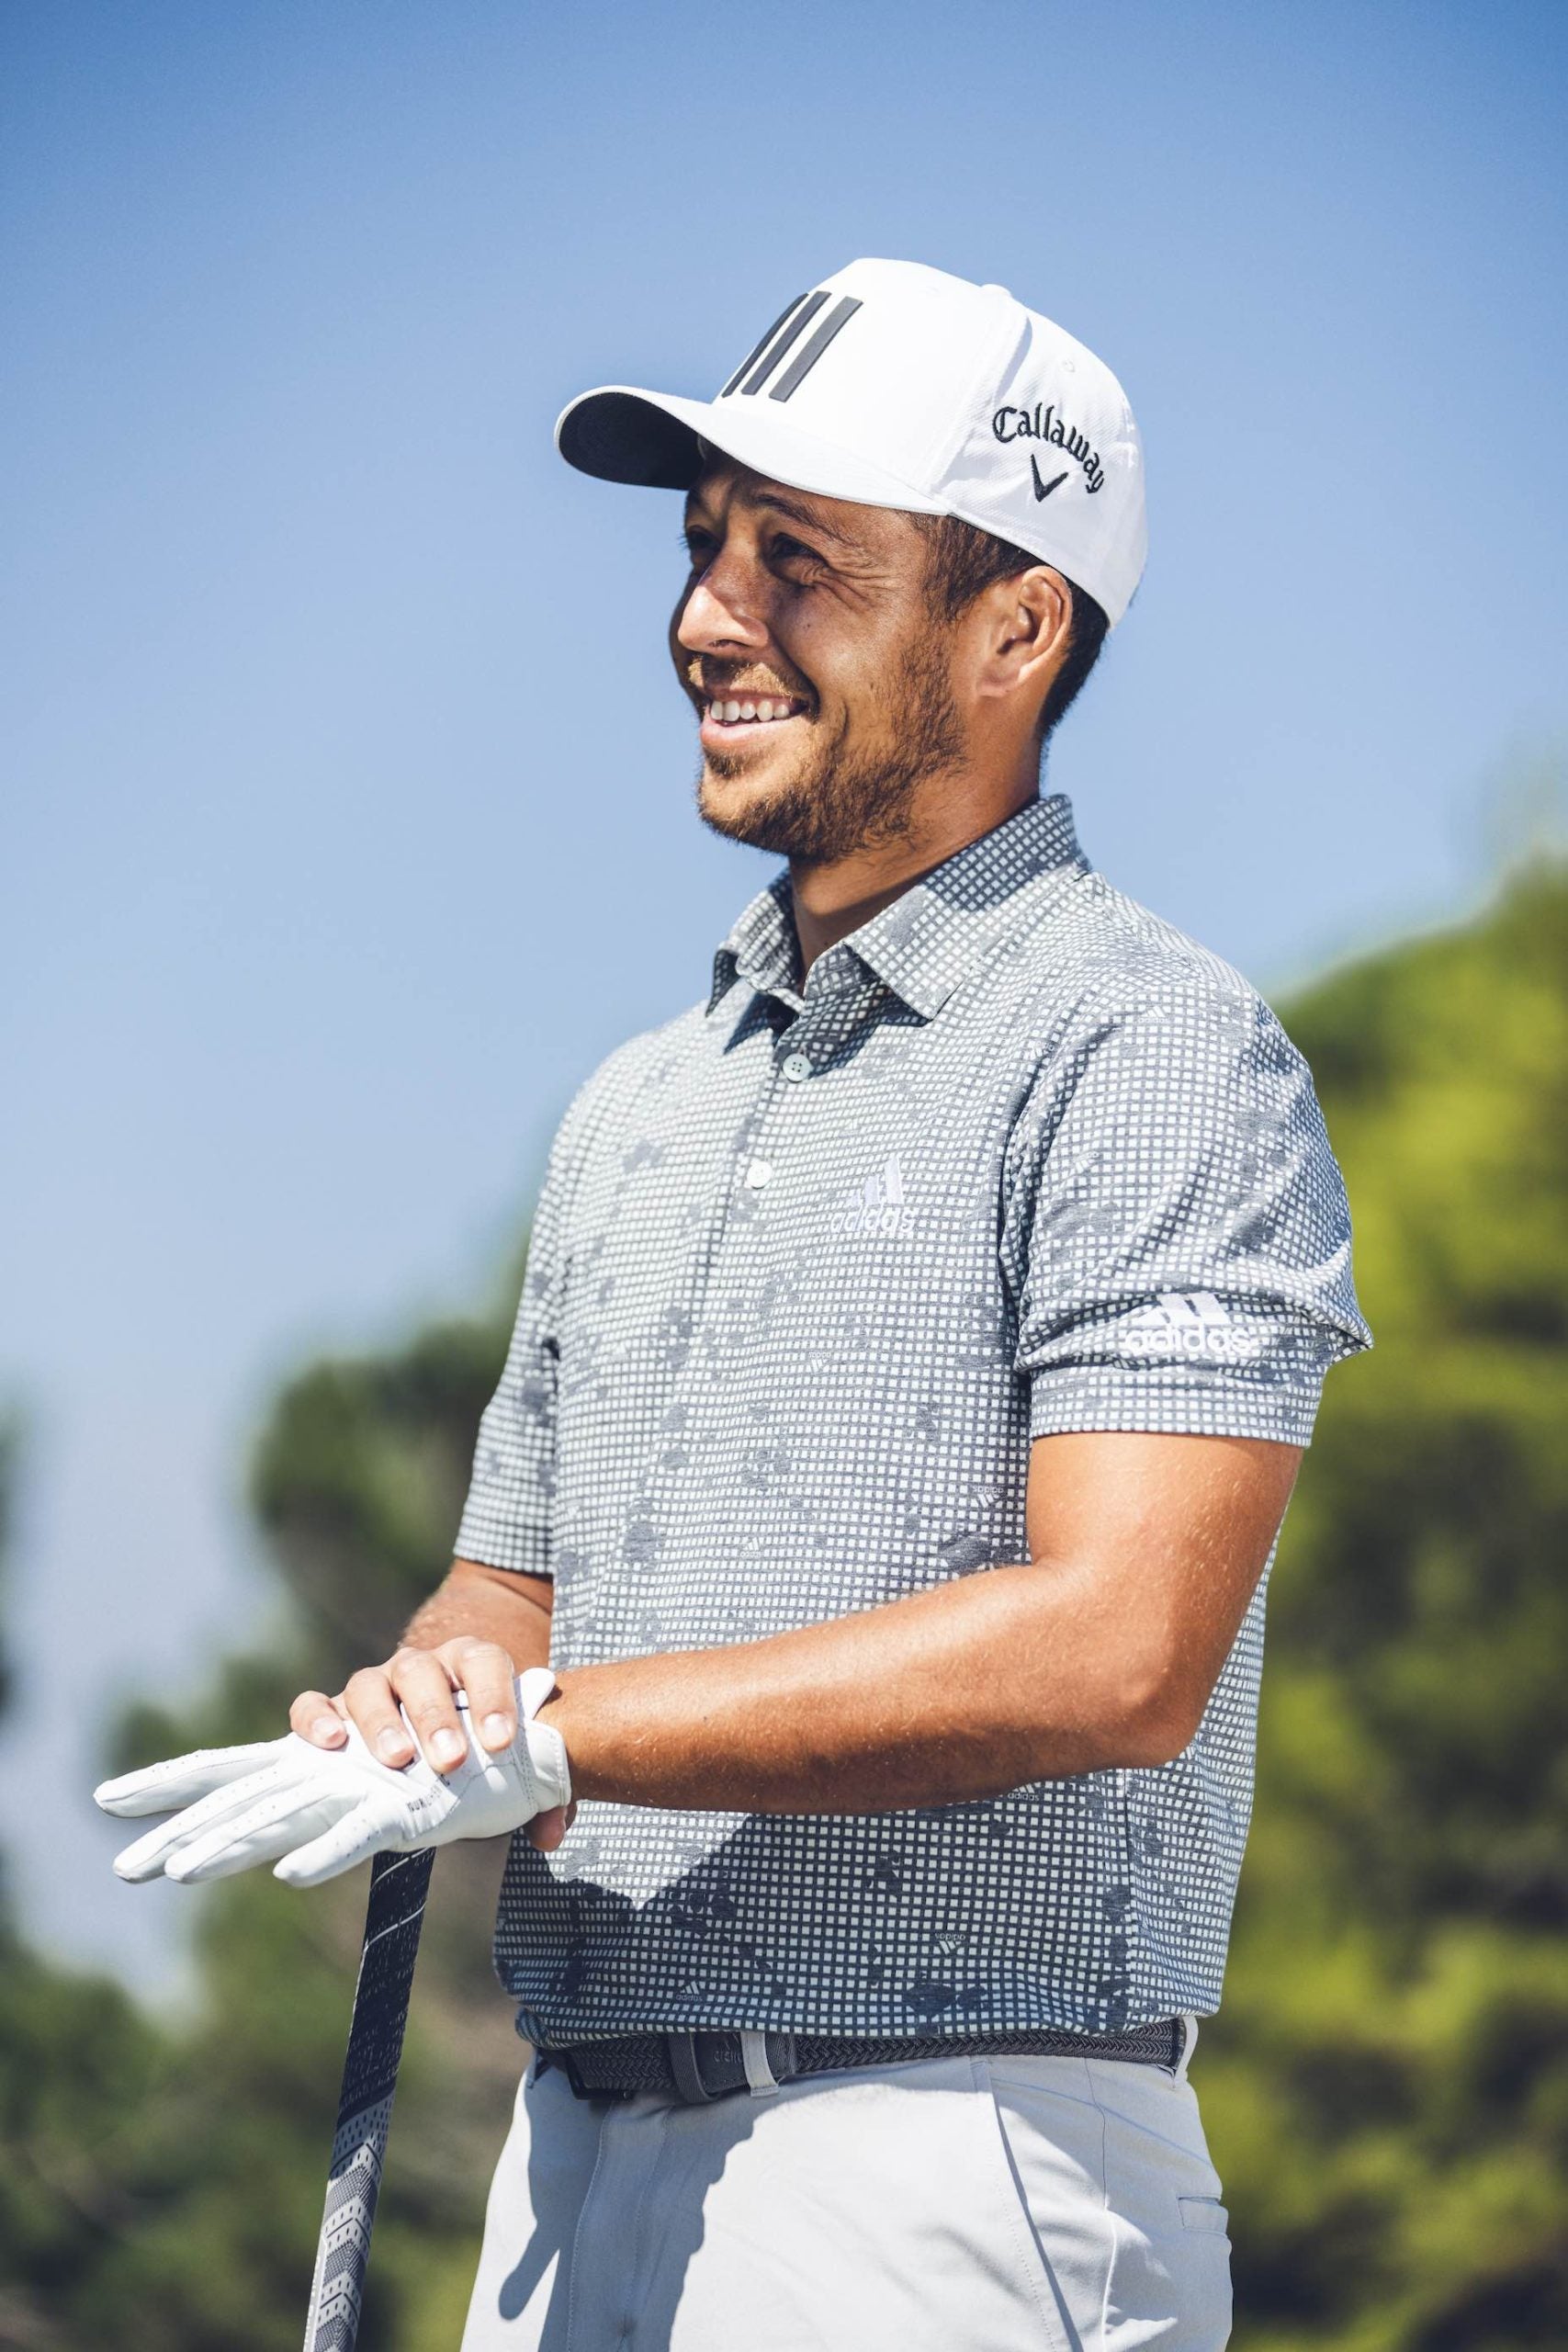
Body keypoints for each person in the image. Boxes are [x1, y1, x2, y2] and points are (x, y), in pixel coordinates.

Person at [98, 258, 1373, 2349]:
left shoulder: (1149, 1043)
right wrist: (437, 1704)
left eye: (802, 562)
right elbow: (506, 1593)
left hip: (940, 2164)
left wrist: (556, 1738)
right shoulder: (633, 1106)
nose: (707, 616)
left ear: (1012, 627)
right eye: (705, 548)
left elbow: (1119, 1641)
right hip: (565, 2168)